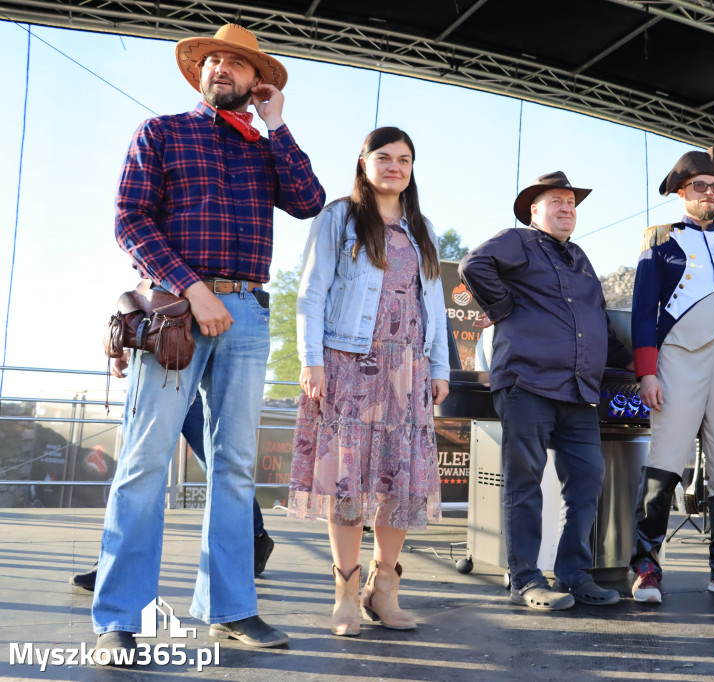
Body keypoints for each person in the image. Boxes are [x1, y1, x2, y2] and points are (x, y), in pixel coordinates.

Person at [93, 23, 325, 662]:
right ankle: (121, 615)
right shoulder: (161, 132)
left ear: (257, 82)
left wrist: (278, 126)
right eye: (213, 59)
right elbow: (129, 220)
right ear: (200, 73)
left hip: (248, 311)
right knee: (144, 462)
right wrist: (194, 290)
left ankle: (231, 607)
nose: (222, 67)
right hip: (177, 312)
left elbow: (309, 202)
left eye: (238, 63)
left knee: (235, 465)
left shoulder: (264, 147)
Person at [289, 127, 450, 637]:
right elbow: (311, 293)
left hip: (409, 370)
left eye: (404, 159)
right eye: (384, 158)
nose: (395, 167)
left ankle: (384, 589)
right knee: (349, 481)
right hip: (347, 363)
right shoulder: (339, 217)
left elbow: (437, 311)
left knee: (398, 481)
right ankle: (344, 593)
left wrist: (440, 367)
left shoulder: (421, 228)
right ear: (364, 163)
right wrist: (311, 360)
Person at [459, 171, 633, 611]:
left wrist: (634, 364)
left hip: (577, 392)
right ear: (533, 210)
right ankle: (526, 579)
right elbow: (472, 265)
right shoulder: (518, 240)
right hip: (528, 382)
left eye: (571, 202)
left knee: (588, 480)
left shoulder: (580, 257)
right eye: (556, 201)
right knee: (525, 483)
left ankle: (574, 574)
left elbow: (596, 317)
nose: (566, 208)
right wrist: (503, 309)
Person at [629, 148, 714, 604]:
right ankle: (646, 565)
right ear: (683, 192)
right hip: (677, 363)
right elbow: (643, 312)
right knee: (665, 464)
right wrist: (647, 373)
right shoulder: (660, 242)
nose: (707, 193)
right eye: (698, 186)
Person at [71, 389, 275, 592]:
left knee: (220, 469)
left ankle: (256, 536)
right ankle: (113, 565)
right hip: (155, 382)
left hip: (195, 384)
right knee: (138, 474)